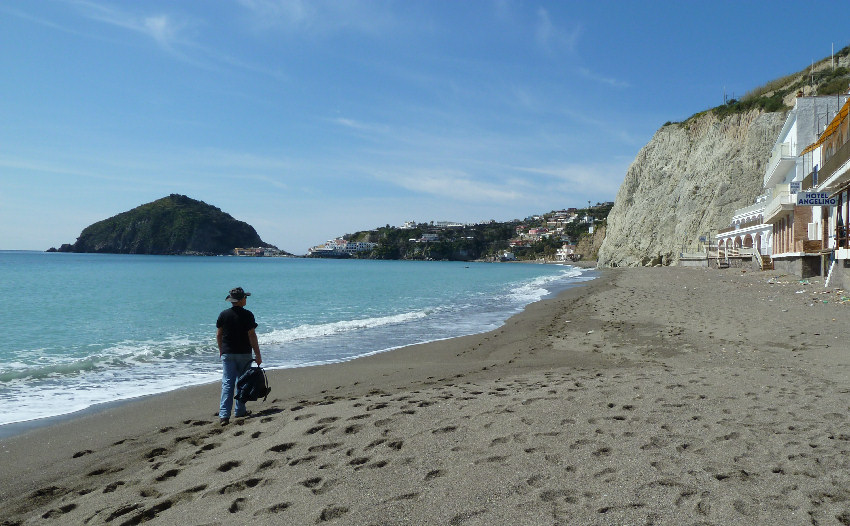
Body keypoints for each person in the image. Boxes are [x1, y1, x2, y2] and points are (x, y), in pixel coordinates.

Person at [216, 286, 262, 425]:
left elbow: (219, 334)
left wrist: (221, 350)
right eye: (245, 298)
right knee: (242, 382)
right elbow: (252, 335)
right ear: (241, 300)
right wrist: (258, 354)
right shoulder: (248, 315)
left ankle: (224, 415)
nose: (246, 299)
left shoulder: (224, 314)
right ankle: (240, 410)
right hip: (244, 353)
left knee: (227, 383)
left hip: (228, 353)